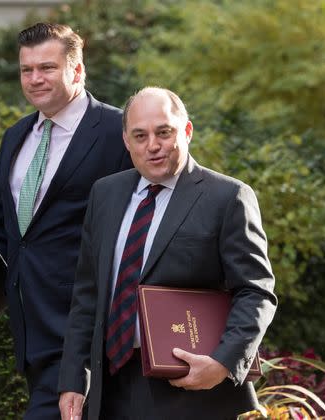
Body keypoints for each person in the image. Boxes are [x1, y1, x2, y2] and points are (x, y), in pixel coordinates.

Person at [0, 23, 132, 419]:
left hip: (90, 333)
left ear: (77, 70)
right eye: (27, 70)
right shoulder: (16, 136)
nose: (35, 79)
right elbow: (0, 230)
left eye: (47, 68)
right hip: (31, 331)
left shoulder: (119, 131)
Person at [57, 87, 277, 420]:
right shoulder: (105, 194)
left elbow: (256, 292)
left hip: (192, 390)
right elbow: (88, 295)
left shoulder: (228, 197)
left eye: (164, 132)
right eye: (140, 136)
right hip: (110, 389)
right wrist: (74, 378)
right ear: (127, 141)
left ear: (186, 131)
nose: (153, 145)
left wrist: (222, 363)